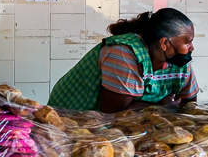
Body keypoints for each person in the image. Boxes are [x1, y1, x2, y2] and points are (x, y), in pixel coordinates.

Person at [47, 8, 198, 113]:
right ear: (164, 43)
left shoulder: (179, 62)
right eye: (187, 42)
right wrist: (160, 108)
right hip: (75, 117)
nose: (191, 48)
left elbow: (189, 104)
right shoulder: (123, 53)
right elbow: (114, 113)